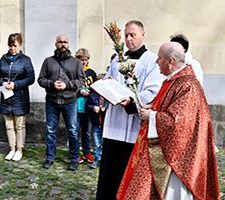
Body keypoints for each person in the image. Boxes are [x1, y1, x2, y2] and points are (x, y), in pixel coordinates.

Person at [117, 42, 220, 200]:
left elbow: (180, 122)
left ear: (170, 61)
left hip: (179, 158)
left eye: (159, 58)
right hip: (167, 148)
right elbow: (170, 107)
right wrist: (153, 106)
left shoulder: (188, 85)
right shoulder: (174, 80)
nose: (156, 62)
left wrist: (151, 116)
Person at [96, 20, 164, 199]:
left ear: (142, 35)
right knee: (110, 169)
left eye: (132, 35)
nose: (128, 39)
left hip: (134, 125)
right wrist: (104, 87)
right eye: (126, 35)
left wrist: (132, 102)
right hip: (114, 123)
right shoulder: (118, 58)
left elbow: (153, 90)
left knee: (128, 168)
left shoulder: (151, 61)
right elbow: (110, 79)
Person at [38, 34, 84, 171]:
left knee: (73, 131)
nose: (62, 44)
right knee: (50, 130)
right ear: (55, 44)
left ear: (68, 44)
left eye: (65, 42)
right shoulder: (48, 61)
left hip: (70, 101)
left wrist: (67, 85)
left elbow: (81, 81)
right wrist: (52, 84)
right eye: (60, 42)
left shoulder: (76, 62)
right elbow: (40, 79)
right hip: (52, 101)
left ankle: (74, 158)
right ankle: (50, 157)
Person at [0, 33, 35, 161]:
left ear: (20, 45)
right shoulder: (3, 59)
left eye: (15, 46)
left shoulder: (25, 60)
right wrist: (2, 83)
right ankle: (12, 148)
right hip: (6, 96)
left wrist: (16, 85)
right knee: (9, 125)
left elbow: (31, 78)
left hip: (20, 97)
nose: (12, 48)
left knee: (19, 125)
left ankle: (19, 150)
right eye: (10, 45)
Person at [75, 48, 96, 164]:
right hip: (76, 106)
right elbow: (71, 88)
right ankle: (75, 153)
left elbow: (96, 88)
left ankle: (87, 152)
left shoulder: (91, 73)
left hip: (88, 107)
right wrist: (79, 92)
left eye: (85, 60)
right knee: (75, 131)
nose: (83, 62)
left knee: (86, 131)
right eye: (81, 60)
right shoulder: (73, 72)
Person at [86, 74, 108, 169]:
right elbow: (88, 106)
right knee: (96, 142)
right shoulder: (92, 95)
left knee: (105, 142)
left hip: (106, 123)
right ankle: (97, 158)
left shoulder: (108, 96)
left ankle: (104, 159)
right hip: (96, 122)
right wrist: (93, 108)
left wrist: (105, 109)